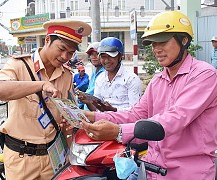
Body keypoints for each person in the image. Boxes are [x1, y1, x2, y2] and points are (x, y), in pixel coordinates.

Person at [79, 11, 217, 179]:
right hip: (152, 169)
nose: (156, 49)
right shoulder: (158, 80)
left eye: (163, 42)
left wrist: (118, 131)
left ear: (184, 40)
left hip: (187, 173)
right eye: (153, 43)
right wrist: (90, 116)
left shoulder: (204, 75)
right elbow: (136, 114)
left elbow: (175, 118)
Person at [0, 19, 91, 179]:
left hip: (53, 158)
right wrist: (41, 85)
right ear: (47, 40)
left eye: (71, 53)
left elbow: (69, 114)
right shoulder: (20, 65)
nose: (65, 57)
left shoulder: (66, 75)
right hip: (21, 159)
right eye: (62, 49)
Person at [78, 37, 142, 112]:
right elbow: (96, 108)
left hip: (123, 123)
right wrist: (88, 102)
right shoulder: (100, 78)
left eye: (111, 56)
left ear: (120, 56)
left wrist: (113, 110)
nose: (106, 61)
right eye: (103, 57)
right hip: (102, 121)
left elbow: (136, 111)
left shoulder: (131, 79)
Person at [82, 42, 105, 110]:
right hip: (88, 108)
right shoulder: (94, 72)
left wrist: (79, 96)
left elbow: (91, 92)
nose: (94, 57)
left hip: (97, 110)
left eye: (97, 54)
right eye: (92, 54)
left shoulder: (104, 73)